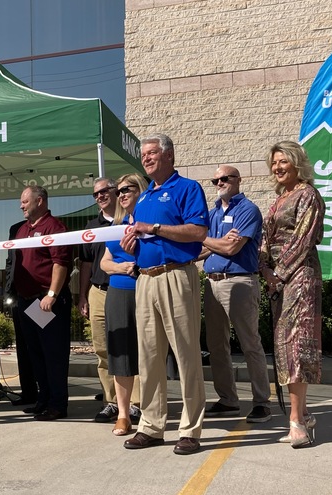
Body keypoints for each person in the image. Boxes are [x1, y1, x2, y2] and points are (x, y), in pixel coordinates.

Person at [120, 133, 208, 455]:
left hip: (176, 276)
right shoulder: (142, 199)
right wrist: (133, 243)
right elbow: (137, 237)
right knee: (149, 358)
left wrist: (153, 229)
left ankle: (190, 429)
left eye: (152, 153)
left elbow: (198, 232)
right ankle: (152, 426)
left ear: (169, 155)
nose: (146, 159)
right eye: (143, 155)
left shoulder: (187, 189)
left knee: (185, 355)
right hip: (145, 280)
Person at [259, 141, 325, 448]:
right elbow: (265, 239)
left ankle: (297, 423)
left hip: (299, 276)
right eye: (274, 163)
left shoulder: (308, 194)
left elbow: (302, 240)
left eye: (283, 161)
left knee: (297, 345)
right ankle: (304, 412)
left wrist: (277, 273)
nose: (278, 167)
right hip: (278, 281)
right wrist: (262, 266)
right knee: (284, 346)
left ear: (297, 163)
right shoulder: (278, 199)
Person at [199, 166, 272, 423]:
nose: (219, 182)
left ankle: (262, 402)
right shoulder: (212, 213)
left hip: (239, 281)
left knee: (250, 344)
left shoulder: (248, 210)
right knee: (216, 345)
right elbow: (201, 249)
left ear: (238, 181)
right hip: (211, 282)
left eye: (225, 178)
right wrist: (212, 240)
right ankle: (228, 400)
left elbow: (232, 247)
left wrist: (208, 240)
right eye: (215, 179)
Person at [12, 185, 73, 421]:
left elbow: (60, 264)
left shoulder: (54, 228)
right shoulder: (22, 230)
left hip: (45, 301)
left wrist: (51, 294)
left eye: (25, 201)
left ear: (40, 201)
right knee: (35, 353)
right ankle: (44, 399)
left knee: (53, 353)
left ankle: (58, 404)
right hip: (26, 302)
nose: (21, 206)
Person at [99, 174, 147, 436]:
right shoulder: (117, 226)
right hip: (118, 293)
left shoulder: (149, 223)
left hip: (146, 291)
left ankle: (150, 411)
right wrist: (121, 266)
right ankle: (124, 415)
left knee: (150, 354)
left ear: (141, 191)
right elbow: (104, 262)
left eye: (127, 189)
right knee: (120, 356)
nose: (122, 194)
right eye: (119, 191)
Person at [79, 177, 122, 423]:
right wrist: (83, 295)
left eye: (104, 191)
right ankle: (111, 402)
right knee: (102, 350)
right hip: (97, 292)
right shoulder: (91, 226)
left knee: (128, 348)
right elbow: (85, 263)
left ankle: (135, 402)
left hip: (124, 290)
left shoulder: (127, 220)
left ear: (116, 192)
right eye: (95, 194)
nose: (99, 196)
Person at [3, 219, 39, 407]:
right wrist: (8, 290)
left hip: (39, 298)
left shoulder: (49, 227)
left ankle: (46, 392)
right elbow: (11, 261)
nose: (22, 206)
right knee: (23, 346)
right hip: (19, 297)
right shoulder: (15, 228)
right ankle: (28, 393)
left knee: (41, 345)